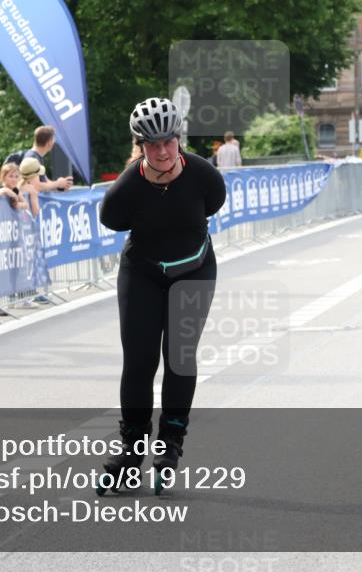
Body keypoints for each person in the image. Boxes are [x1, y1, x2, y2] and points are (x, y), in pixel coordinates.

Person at [97, 97, 226, 495]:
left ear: (178, 139)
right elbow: (111, 219)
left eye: (168, 141)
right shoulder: (128, 187)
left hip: (194, 270)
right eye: (152, 145)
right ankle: (131, 453)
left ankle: (170, 446)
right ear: (140, 146)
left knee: (179, 358)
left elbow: (214, 203)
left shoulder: (204, 175)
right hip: (144, 274)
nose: (162, 151)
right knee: (139, 362)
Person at [4, 125, 74, 192]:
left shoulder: (37, 156)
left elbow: (45, 182)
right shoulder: (32, 157)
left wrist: (60, 185)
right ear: (49, 143)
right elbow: (36, 186)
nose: (53, 142)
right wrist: (57, 183)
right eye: (53, 140)